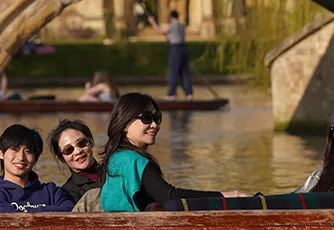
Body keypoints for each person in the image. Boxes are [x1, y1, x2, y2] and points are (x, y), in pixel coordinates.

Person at [99, 93, 245, 211]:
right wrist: (224, 196)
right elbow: (170, 196)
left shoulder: (113, 160)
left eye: (157, 118)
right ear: (124, 124)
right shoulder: (135, 161)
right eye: (146, 118)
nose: (155, 125)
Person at [0, 124, 75, 213]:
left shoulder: (51, 192)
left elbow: (69, 209)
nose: (21, 157)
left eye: (28, 151)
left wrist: (33, 212)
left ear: (36, 159)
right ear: (1, 153)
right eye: (15, 150)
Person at [48, 119, 101, 203]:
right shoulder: (68, 192)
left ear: (90, 142)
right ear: (62, 159)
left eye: (81, 143)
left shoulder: (116, 171)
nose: (78, 151)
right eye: (68, 150)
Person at [147, 11, 192, 100]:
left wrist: (152, 21)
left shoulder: (172, 26)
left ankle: (171, 94)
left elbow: (159, 31)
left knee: (173, 71)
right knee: (184, 72)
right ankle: (189, 94)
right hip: (184, 49)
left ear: (171, 17)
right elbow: (171, 36)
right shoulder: (182, 25)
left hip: (175, 49)